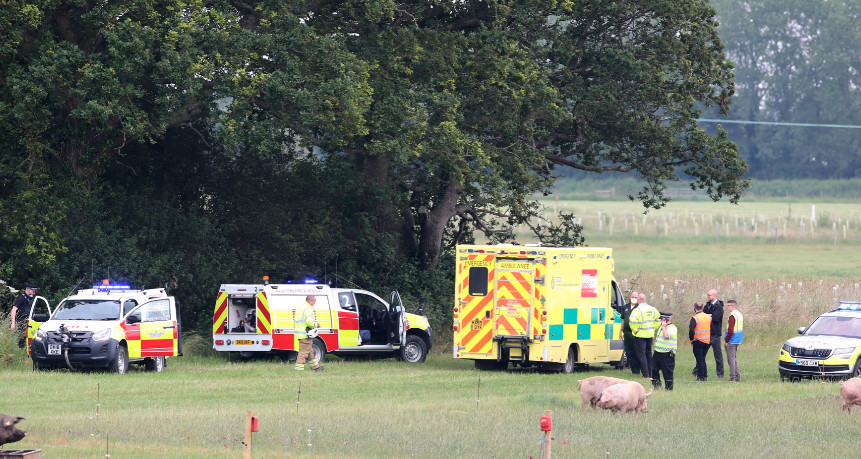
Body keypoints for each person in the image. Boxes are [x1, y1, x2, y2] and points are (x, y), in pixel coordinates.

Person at [629, 292, 659, 380]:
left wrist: (635, 330)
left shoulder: (637, 310)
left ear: (638, 300)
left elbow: (632, 321)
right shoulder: (652, 309)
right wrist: (653, 328)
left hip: (640, 335)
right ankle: (651, 373)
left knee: (642, 355)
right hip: (650, 334)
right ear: (645, 300)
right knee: (649, 353)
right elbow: (658, 319)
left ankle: (645, 375)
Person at [294, 295, 324, 372]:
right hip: (305, 334)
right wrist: (317, 324)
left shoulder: (300, 307)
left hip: (300, 333)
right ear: (310, 301)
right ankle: (298, 370)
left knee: (310, 351)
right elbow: (309, 322)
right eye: (314, 302)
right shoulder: (307, 309)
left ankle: (316, 367)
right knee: (303, 352)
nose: (314, 304)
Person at [651, 312, 677, 390]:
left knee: (667, 372)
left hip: (667, 354)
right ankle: (657, 386)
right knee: (652, 369)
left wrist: (663, 326)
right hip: (657, 353)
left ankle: (669, 389)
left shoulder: (672, 328)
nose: (660, 321)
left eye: (661, 319)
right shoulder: (662, 327)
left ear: (665, 319)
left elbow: (666, 336)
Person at [703, 288, 725, 378]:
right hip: (706, 333)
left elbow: (715, 318)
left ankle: (720, 374)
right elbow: (702, 316)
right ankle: (696, 371)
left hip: (715, 334)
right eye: (707, 295)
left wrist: (709, 315)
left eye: (709, 295)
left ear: (715, 295)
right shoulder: (707, 305)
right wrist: (709, 315)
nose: (708, 296)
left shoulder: (719, 306)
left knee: (718, 356)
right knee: (702, 354)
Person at [619, 291, 641, 375]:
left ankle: (639, 368)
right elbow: (623, 320)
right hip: (626, 333)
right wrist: (620, 331)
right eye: (633, 297)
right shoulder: (625, 307)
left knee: (636, 352)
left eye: (636, 297)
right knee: (628, 352)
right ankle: (634, 370)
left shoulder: (639, 308)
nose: (634, 299)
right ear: (630, 297)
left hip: (635, 333)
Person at [10, 284, 37, 349]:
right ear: (29, 290)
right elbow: (14, 310)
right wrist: (13, 323)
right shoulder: (21, 298)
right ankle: (20, 351)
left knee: (27, 339)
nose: (34, 293)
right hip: (21, 322)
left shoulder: (28, 299)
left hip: (28, 323)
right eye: (33, 291)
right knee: (21, 339)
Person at [690, 301, 711, 382]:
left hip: (698, 341)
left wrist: (692, 338)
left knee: (700, 360)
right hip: (707, 341)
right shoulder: (708, 317)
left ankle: (701, 377)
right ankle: (704, 376)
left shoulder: (695, 318)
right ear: (702, 308)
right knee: (702, 359)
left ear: (695, 308)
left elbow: (691, 330)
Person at [724, 300, 744, 382]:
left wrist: (726, 340)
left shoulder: (732, 316)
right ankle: (737, 376)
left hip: (731, 340)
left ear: (733, 306)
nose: (727, 307)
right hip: (738, 339)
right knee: (733, 359)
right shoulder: (739, 314)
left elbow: (730, 330)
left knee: (731, 360)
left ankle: (732, 377)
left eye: (728, 305)